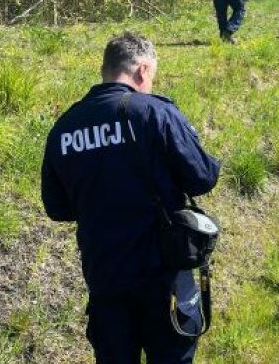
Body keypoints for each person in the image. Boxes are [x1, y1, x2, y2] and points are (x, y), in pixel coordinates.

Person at [41, 33, 221, 363]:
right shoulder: (154, 113)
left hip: (104, 277)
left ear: (104, 69)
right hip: (163, 275)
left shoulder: (64, 127)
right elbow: (202, 178)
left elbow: (57, 207)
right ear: (142, 70)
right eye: (151, 75)